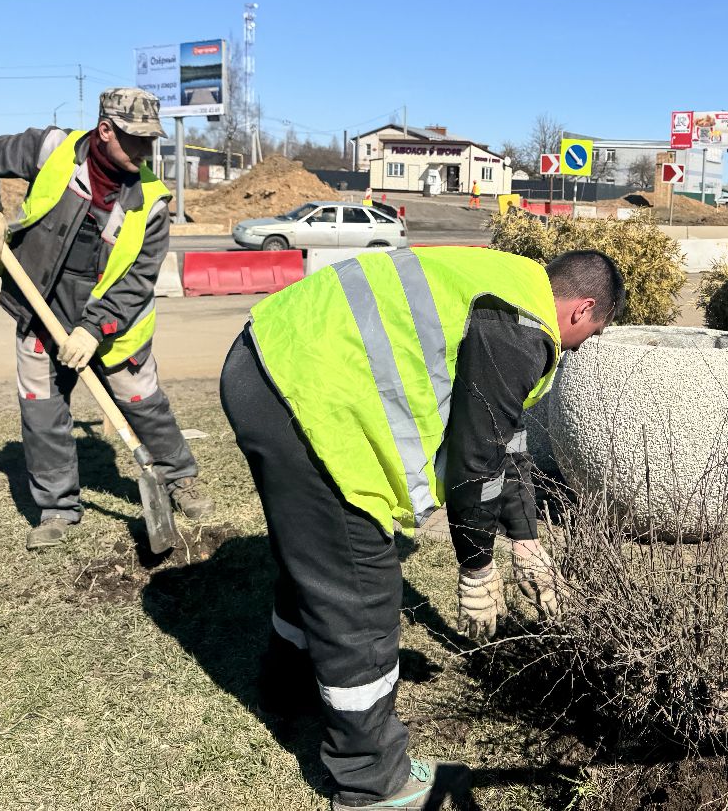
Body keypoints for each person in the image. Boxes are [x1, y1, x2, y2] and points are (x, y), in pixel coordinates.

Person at [219, 247, 624, 809]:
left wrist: (527, 539)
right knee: (361, 590)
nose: (578, 347)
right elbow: (475, 461)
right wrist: (477, 565)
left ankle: (288, 686)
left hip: (269, 360)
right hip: (309, 399)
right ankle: (370, 781)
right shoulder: (521, 328)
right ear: (582, 309)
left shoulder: (507, 284)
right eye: (590, 334)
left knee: (320, 556)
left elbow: (505, 442)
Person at [0, 88, 213, 549]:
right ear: (106, 130)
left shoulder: (152, 202)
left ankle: (180, 478)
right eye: (136, 139)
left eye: (151, 140)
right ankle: (57, 507)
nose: (146, 150)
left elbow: (137, 281)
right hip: (41, 305)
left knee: (143, 403)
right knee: (42, 409)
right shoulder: (51, 149)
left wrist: (93, 330)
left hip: (115, 323)